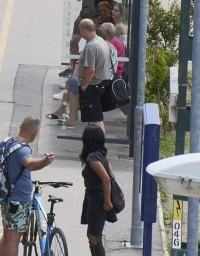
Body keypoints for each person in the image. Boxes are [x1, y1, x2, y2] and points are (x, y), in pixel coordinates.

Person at [0, 117, 55, 256]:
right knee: (13, 241)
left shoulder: (6, 142)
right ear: (35, 133)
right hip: (18, 200)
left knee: (6, 237)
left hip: (6, 195)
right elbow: (30, 164)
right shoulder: (23, 149)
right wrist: (45, 161)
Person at [80, 126, 116, 256]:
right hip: (94, 199)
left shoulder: (92, 158)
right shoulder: (101, 155)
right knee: (92, 235)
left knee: (95, 237)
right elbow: (112, 176)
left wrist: (107, 201)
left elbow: (106, 179)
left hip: (97, 200)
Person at [78, 19, 113, 132]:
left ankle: (99, 144)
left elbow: (90, 70)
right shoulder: (101, 41)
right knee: (97, 118)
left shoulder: (91, 46)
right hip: (101, 83)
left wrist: (83, 86)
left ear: (83, 30)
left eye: (80, 30)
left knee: (96, 120)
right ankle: (98, 144)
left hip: (93, 85)